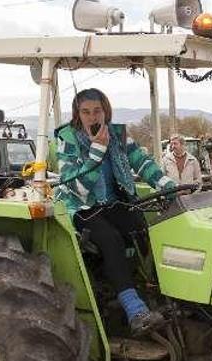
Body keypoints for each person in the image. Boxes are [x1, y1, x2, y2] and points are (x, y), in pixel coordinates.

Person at [53, 88, 175, 335]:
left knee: (145, 228)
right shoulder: (68, 139)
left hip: (114, 202)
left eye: (96, 111)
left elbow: (142, 162)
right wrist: (97, 151)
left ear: (105, 110)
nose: (92, 117)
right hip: (82, 205)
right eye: (85, 112)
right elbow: (76, 186)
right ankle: (135, 311)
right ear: (78, 114)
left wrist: (169, 187)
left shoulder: (118, 134)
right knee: (110, 240)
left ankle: (158, 294)